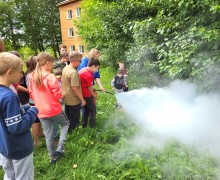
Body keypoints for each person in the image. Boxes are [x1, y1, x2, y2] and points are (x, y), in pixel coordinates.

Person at [0, 52, 38, 180]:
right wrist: (34, 111)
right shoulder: (9, 96)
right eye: (20, 72)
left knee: (9, 175)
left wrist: (27, 108)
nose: (22, 75)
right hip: (19, 147)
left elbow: (7, 115)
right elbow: (16, 127)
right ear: (9, 72)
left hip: (5, 146)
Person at [28, 52, 69, 165]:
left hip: (40, 111)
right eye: (51, 63)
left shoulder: (31, 77)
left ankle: (53, 157)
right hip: (53, 109)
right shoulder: (50, 77)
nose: (52, 66)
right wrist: (62, 93)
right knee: (65, 123)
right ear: (47, 63)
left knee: (48, 135)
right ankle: (60, 147)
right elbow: (57, 95)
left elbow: (31, 95)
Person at [62, 51, 86, 133]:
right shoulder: (74, 72)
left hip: (66, 98)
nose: (80, 63)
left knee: (68, 117)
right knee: (74, 119)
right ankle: (73, 134)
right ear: (75, 61)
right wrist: (82, 99)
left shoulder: (65, 68)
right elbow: (75, 88)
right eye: (80, 61)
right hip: (73, 100)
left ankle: (68, 131)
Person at [26, 56, 44, 146]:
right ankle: (36, 141)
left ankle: (40, 133)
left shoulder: (30, 74)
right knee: (36, 122)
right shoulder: (31, 76)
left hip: (35, 99)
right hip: (34, 100)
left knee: (38, 120)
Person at [78, 58, 100, 128]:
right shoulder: (88, 74)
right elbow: (90, 88)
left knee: (85, 110)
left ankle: (84, 125)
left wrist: (92, 88)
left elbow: (87, 84)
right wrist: (93, 95)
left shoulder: (83, 69)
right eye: (97, 68)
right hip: (87, 95)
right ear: (93, 66)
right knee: (93, 112)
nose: (96, 70)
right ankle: (92, 127)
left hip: (82, 94)